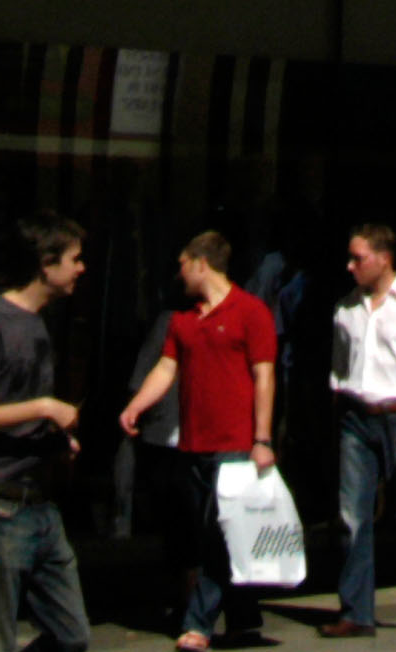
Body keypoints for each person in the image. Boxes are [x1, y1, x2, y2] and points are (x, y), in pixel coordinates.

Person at [113, 232, 282, 652]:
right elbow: (165, 369)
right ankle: (245, 616)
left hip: (235, 445)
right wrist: (135, 406)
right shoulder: (183, 320)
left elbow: (265, 376)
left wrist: (262, 438)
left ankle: (198, 623)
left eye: (182, 263)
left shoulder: (251, 312)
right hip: (190, 445)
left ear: (201, 264)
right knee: (217, 533)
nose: (178, 272)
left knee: (216, 535)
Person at [0, 216, 90, 652]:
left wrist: (54, 439)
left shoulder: (40, 324)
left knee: (73, 636)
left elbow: (17, 412)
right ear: (46, 265)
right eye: (75, 259)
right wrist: (45, 407)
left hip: (41, 503)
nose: (81, 268)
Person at [315, 222, 396, 639]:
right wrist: (338, 411)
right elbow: (339, 369)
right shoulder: (346, 308)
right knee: (352, 517)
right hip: (356, 418)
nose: (350, 265)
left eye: (359, 258)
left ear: (384, 259)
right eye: (351, 257)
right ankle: (356, 612)